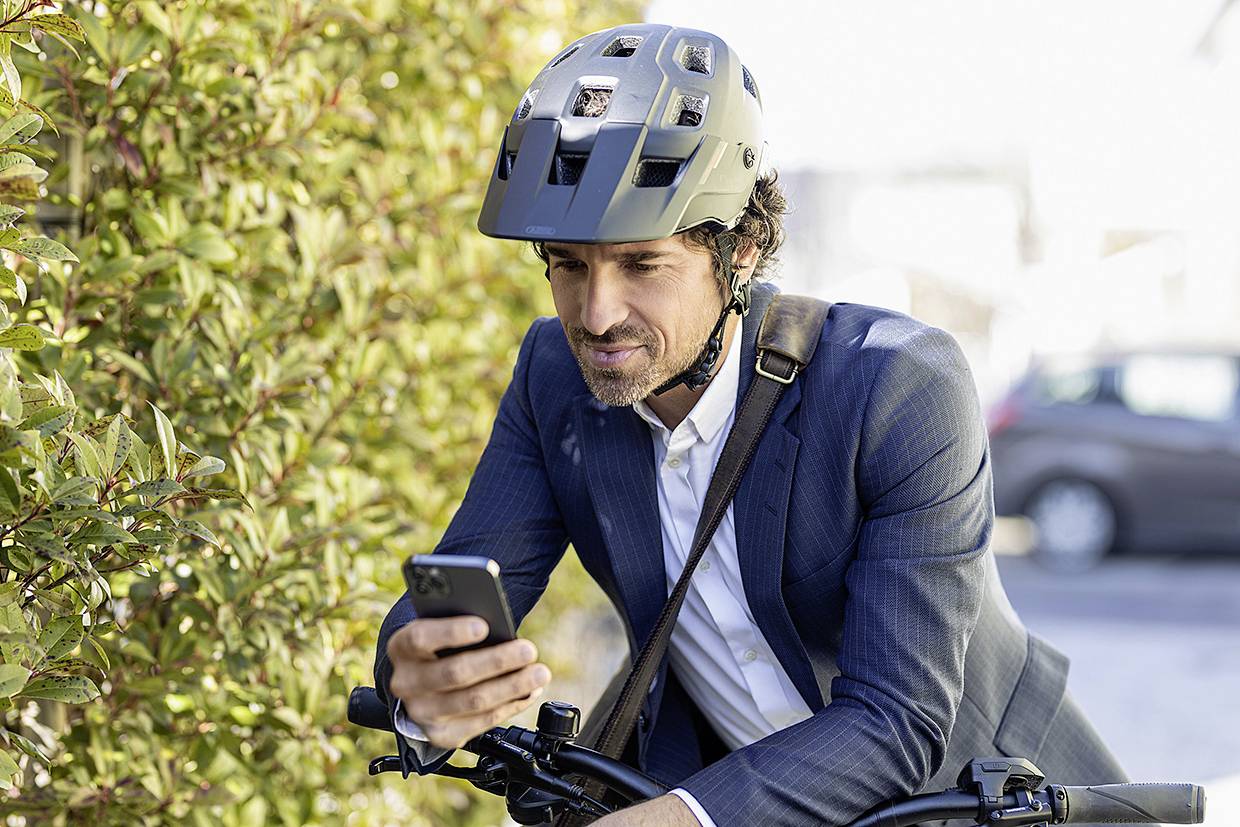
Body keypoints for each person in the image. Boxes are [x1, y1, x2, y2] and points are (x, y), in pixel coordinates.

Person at [373, 22, 1136, 826]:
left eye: (642, 264)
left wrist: (676, 820)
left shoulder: (898, 384)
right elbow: (453, 599)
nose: (595, 314)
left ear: (741, 249)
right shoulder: (553, 378)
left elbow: (898, 721)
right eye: (567, 264)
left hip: (986, 796)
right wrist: (423, 688)